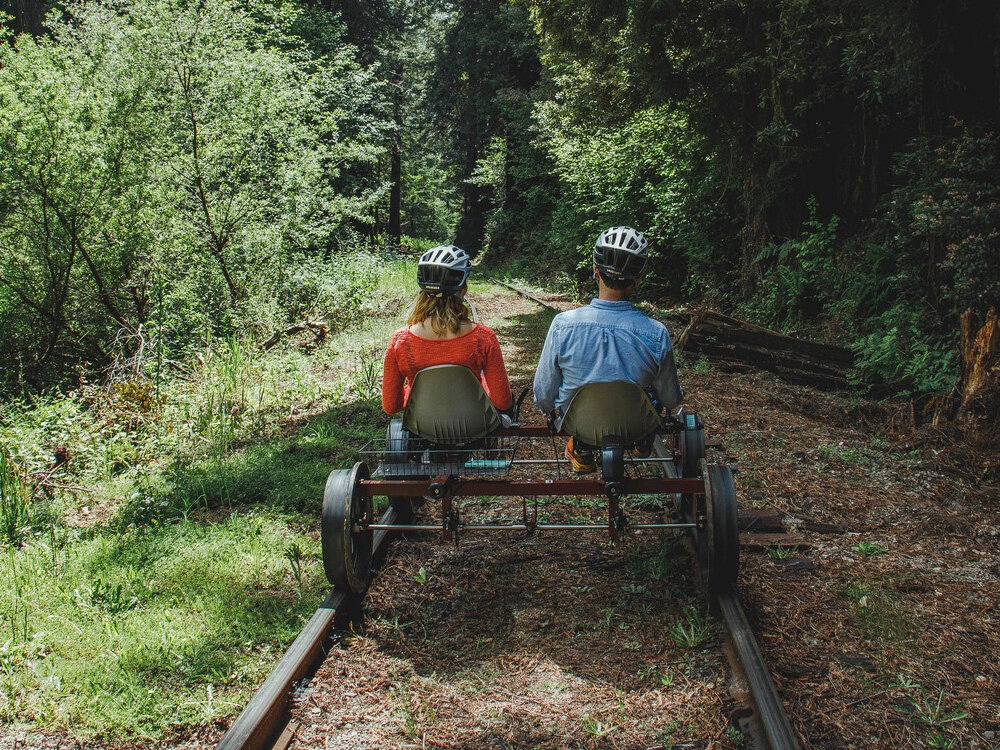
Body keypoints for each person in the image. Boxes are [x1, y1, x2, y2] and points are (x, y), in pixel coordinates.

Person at [533, 226, 684, 472]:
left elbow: (543, 394)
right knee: (653, 395)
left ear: (595, 271)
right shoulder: (656, 333)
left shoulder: (563, 325)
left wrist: (549, 409)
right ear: (639, 278)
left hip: (579, 423)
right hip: (636, 424)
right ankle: (642, 440)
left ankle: (582, 447)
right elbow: (671, 398)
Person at [382, 245, 513, 417]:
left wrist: (415, 393)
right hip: (475, 425)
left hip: (422, 427)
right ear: (463, 290)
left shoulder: (400, 341)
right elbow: (503, 402)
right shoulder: (484, 338)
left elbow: (391, 406)